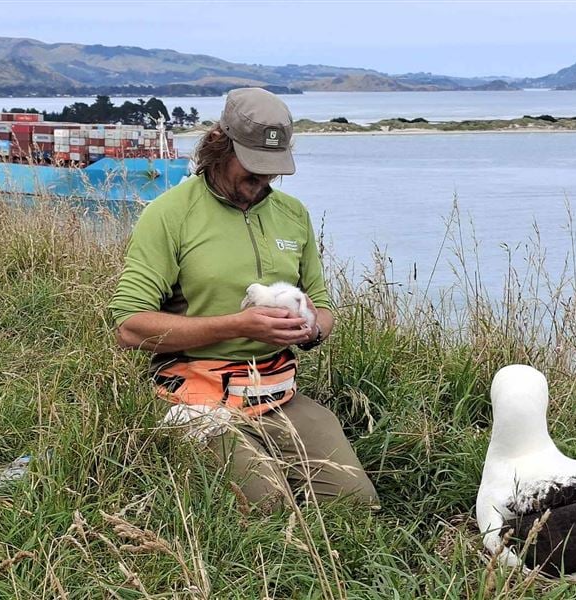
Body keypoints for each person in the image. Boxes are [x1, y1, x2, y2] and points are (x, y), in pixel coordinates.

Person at [108, 88, 379, 513]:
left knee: (357, 507)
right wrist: (238, 325)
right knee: (271, 512)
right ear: (219, 144)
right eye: (252, 170)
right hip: (194, 398)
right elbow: (129, 327)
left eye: (271, 173)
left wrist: (311, 329)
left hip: (278, 394)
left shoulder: (293, 214)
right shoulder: (168, 214)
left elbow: (324, 307)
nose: (261, 184)